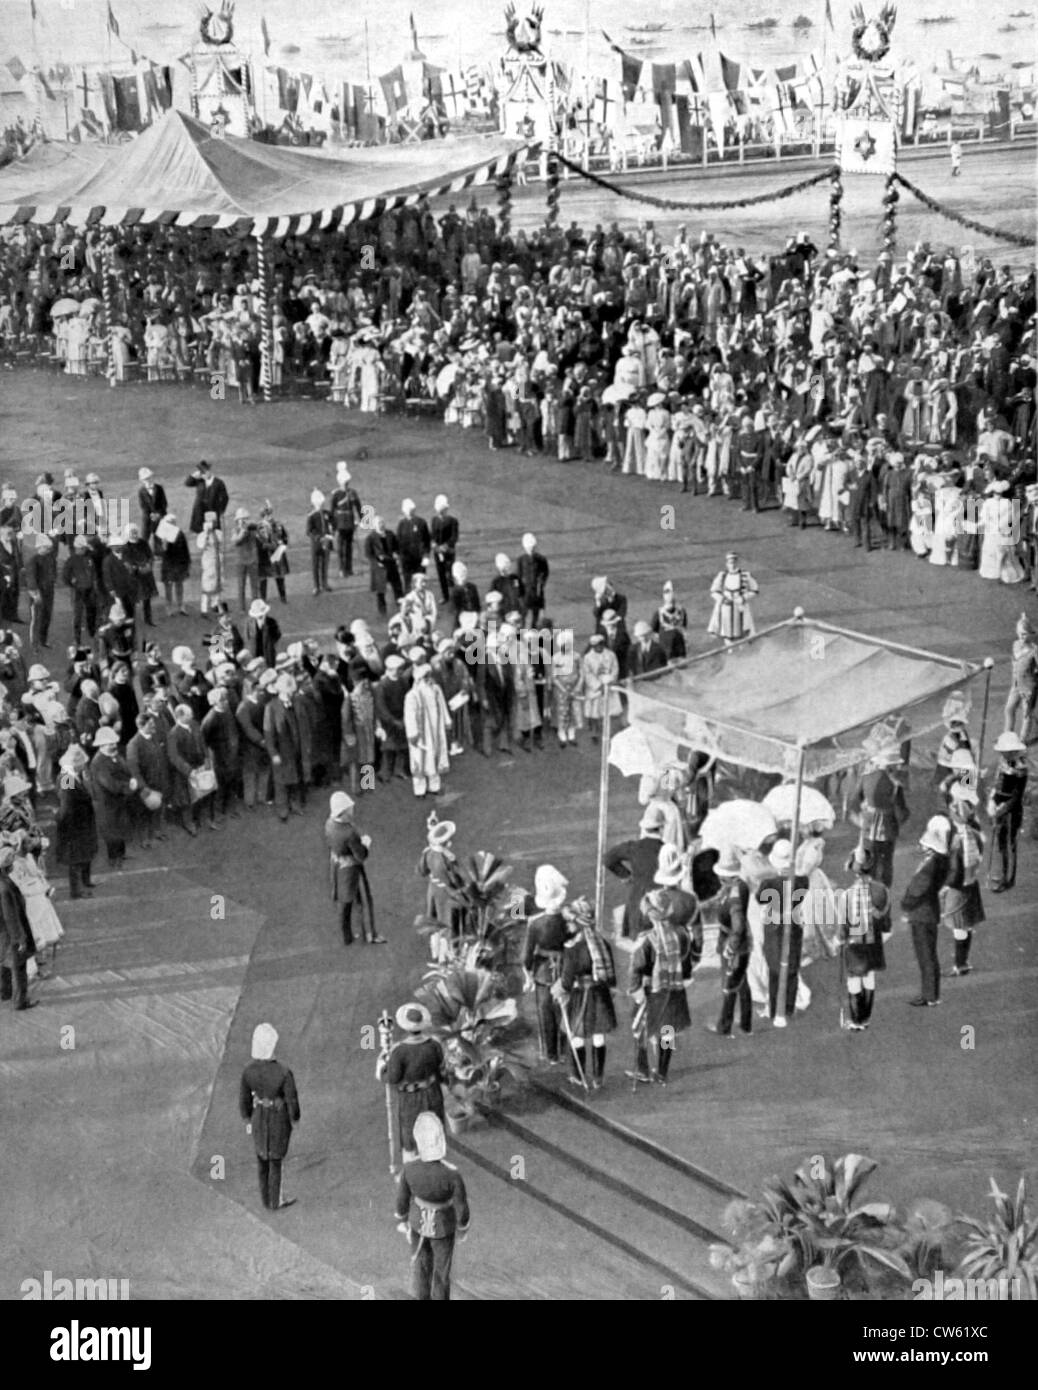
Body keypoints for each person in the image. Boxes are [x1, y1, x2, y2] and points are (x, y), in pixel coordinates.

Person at [393, 1112, 470, 1302]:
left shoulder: (409, 1169)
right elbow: (461, 1208)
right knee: (441, 1273)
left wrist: (402, 1219)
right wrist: (462, 1227)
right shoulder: (452, 1175)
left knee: (421, 1269)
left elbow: (401, 1201)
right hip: (443, 1227)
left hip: (417, 1223)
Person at [627, 889, 696, 1086]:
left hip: (652, 989)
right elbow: (686, 960)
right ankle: (663, 1072)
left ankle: (642, 1069)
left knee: (640, 1028)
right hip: (674, 988)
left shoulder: (647, 939)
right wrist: (686, 977)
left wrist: (635, 989)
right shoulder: (682, 933)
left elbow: (636, 967)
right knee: (668, 1030)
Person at [554, 895, 617, 1090]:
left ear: (578, 923)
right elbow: (611, 976)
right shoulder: (602, 944)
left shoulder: (573, 950)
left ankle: (578, 1075)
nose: (568, 926)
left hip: (581, 997)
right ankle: (598, 1078)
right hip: (601, 996)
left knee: (577, 1037)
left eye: (571, 922)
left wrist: (557, 989)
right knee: (599, 1036)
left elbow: (565, 982)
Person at [239, 1022, 300, 1212]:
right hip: (278, 1118)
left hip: (259, 1117)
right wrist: (294, 1117)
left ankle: (266, 1199)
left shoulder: (248, 1071)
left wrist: (248, 1118)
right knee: (276, 1160)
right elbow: (292, 1100)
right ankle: (276, 1200)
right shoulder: (283, 1072)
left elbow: (244, 1101)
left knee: (262, 1159)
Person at [380, 1002, 447, 1160]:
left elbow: (392, 1078)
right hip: (433, 1094)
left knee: (411, 1134)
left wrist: (382, 1068)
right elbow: (442, 1072)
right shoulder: (434, 1045)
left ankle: (412, 1170)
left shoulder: (399, 1051)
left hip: (411, 1099)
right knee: (435, 1129)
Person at [756, 839, 809, 1028]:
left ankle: (773, 1009)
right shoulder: (802, 880)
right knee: (792, 967)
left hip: (774, 928)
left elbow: (759, 899)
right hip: (794, 926)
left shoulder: (769, 883)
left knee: (774, 969)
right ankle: (788, 1007)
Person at [900, 815, 952, 1007]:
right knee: (929, 954)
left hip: (921, 914)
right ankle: (931, 993)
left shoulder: (929, 867)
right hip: (930, 911)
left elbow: (916, 890)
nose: (921, 847)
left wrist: (906, 905)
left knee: (925, 955)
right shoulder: (940, 862)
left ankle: (929, 995)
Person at [838, 845, 891, 1031]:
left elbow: (843, 926)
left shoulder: (847, 895)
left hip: (854, 944)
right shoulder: (882, 890)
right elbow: (886, 921)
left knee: (854, 980)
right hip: (874, 941)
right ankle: (866, 1018)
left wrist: (840, 938)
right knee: (869, 976)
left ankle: (856, 1020)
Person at [522, 864, 569, 1064]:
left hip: (543, 968)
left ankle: (551, 1052)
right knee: (563, 1008)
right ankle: (564, 1046)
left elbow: (526, 954)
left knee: (545, 1010)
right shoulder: (568, 918)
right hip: (564, 966)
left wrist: (528, 972)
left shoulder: (526, 903)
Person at [324, 790, 382, 945]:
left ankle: (347, 936)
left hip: (337, 865)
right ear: (343, 812)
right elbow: (361, 855)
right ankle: (369, 934)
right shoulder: (349, 832)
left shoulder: (329, 824)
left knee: (344, 904)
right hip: (351, 870)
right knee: (363, 899)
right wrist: (366, 844)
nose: (352, 811)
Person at [708, 847, 753, 1038]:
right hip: (739, 943)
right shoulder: (737, 886)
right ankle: (746, 1024)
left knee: (729, 985)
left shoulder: (734, 898)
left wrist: (730, 947)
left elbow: (738, 925)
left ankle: (724, 1027)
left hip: (733, 943)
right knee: (741, 983)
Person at [849, 746, 910, 888]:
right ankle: (884, 894)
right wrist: (901, 820)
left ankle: (866, 891)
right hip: (888, 827)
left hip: (868, 826)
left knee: (867, 861)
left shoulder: (866, 777)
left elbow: (854, 803)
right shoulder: (895, 783)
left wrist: (860, 820)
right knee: (886, 863)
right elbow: (902, 811)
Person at [604, 803, 666, 938]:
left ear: (644, 828)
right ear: (662, 828)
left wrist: (625, 876)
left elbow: (608, 859)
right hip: (661, 901)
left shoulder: (634, 847)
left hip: (638, 899)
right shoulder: (667, 850)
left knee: (637, 944)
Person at [942, 784, 985, 977]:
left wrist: (943, 886)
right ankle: (963, 961)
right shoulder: (975, 834)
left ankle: (960, 964)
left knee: (958, 927)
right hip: (971, 883)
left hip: (958, 887)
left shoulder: (958, 840)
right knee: (965, 925)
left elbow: (953, 870)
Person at [89, 726, 138, 869]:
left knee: (121, 828)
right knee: (111, 832)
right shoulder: (98, 763)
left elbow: (126, 770)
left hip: (118, 801)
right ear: (102, 745)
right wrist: (129, 786)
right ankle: (114, 859)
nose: (114, 745)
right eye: (110, 743)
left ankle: (121, 854)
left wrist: (130, 779)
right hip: (107, 803)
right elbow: (110, 784)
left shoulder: (115, 756)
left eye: (114, 742)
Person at [54, 742, 97, 898]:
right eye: (82, 764)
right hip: (74, 824)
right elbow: (66, 804)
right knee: (76, 858)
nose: (84, 766)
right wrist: (62, 819)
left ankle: (86, 881)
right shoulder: (67, 779)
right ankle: (76, 891)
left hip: (81, 821)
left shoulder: (74, 776)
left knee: (85, 854)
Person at [988, 731, 1028, 893]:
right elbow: (997, 783)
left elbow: (1016, 796)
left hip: (1011, 810)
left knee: (1010, 844)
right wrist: (992, 800)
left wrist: (1002, 810)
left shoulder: (1020, 767)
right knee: (1000, 842)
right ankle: (1001, 873)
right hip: (998, 806)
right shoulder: (1002, 762)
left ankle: (1008, 878)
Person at [264, 673, 305, 821]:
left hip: (295, 748)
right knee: (280, 781)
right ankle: (282, 809)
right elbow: (268, 734)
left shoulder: (296, 703)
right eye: (289, 690)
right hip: (281, 750)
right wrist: (273, 753)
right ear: (281, 690)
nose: (291, 693)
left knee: (295, 779)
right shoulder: (271, 707)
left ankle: (295, 805)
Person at [0, 842, 36, 1012]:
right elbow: (11, 916)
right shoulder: (5, 887)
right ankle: (20, 1001)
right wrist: (20, 938)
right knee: (18, 965)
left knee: (3, 962)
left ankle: (4, 993)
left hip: (1, 933)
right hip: (10, 932)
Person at [417, 814, 460, 951]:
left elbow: (421, 871)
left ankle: (435, 948)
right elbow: (456, 878)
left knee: (433, 916)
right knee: (446, 920)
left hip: (432, 888)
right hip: (445, 892)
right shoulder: (448, 858)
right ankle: (447, 951)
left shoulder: (427, 853)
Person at [707, 552, 758, 645]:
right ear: (727, 564)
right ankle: (729, 648)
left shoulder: (745, 575)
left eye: (734, 562)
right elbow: (714, 591)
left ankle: (741, 650)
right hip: (726, 607)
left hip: (740, 607)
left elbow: (754, 589)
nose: (732, 565)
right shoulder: (722, 576)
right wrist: (722, 599)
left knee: (741, 629)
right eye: (730, 563)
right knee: (727, 631)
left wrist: (743, 598)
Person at [329, 464, 362, 578]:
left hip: (350, 522)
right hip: (340, 523)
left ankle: (349, 568)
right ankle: (342, 569)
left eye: (347, 483)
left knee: (349, 546)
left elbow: (358, 506)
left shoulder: (352, 493)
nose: (346, 485)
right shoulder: (336, 494)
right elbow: (332, 510)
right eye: (344, 483)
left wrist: (361, 520)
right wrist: (333, 526)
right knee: (341, 547)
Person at [24, 534, 57, 651]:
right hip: (38, 593)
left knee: (47, 617)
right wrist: (35, 593)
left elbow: (53, 572)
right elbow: (31, 578)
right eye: (46, 547)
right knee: (37, 619)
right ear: (40, 547)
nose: (48, 549)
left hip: (49, 591)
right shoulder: (33, 560)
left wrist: (53, 581)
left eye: (49, 548)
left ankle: (43, 640)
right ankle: (34, 644)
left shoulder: (50, 558)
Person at [185, 460, 229, 535]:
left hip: (212, 511)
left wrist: (221, 509)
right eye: (202, 472)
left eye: (205, 471)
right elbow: (187, 483)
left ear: (209, 471)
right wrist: (193, 476)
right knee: (200, 534)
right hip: (199, 512)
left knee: (213, 532)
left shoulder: (218, 483)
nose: (203, 474)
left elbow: (225, 497)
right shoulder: (199, 481)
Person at [429, 495, 459, 604]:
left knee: (450, 575)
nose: (441, 513)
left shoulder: (452, 521)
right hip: (438, 552)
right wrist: (433, 544)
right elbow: (432, 535)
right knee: (441, 574)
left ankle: (455, 595)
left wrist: (445, 546)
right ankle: (445, 596)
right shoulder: (434, 520)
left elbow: (454, 537)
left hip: (448, 552)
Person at [517, 532, 549, 628]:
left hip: (537, 591)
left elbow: (546, 572)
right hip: (525, 591)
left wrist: (541, 583)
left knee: (536, 613)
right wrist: (519, 592)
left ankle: (533, 632)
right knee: (523, 614)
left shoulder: (541, 559)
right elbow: (518, 576)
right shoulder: (521, 560)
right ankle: (521, 634)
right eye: (529, 548)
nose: (531, 549)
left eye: (532, 547)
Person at [306, 489, 334, 596]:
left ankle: (324, 583)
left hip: (327, 542)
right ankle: (316, 586)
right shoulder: (311, 516)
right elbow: (309, 531)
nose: (321, 506)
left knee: (325, 564)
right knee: (315, 565)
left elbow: (333, 523)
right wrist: (319, 537)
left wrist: (332, 531)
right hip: (316, 544)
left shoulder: (327, 513)